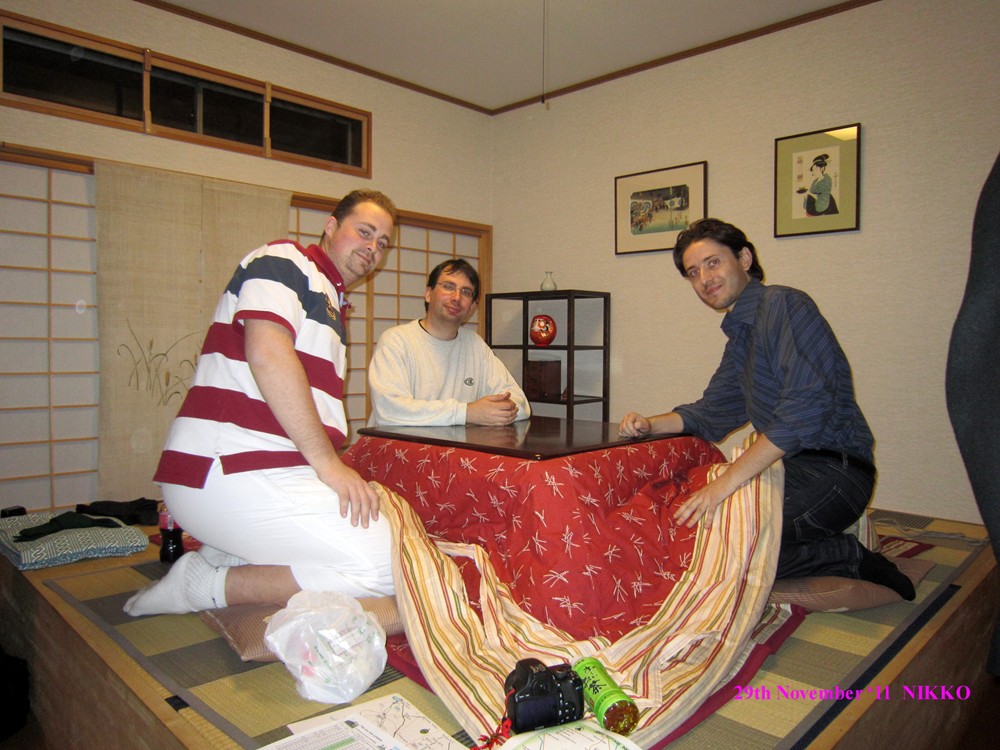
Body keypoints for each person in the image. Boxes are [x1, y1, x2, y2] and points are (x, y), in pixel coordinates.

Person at [125, 189, 399, 617]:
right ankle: (204, 585)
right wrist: (329, 465)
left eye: (382, 243)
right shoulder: (286, 260)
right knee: (387, 567)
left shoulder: (330, 298)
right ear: (330, 226)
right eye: (364, 232)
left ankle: (228, 556)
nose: (373, 248)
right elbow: (268, 353)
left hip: (272, 468)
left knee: (389, 532)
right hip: (226, 464)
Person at [619, 218, 914, 600]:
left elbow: (805, 409)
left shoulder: (784, 305)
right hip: (787, 470)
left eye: (713, 262)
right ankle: (825, 549)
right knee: (690, 535)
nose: (704, 278)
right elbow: (713, 412)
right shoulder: (741, 336)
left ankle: (846, 556)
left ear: (744, 258)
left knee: (721, 541)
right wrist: (649, 424)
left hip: (835, 472)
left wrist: (726, 484)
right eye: (693, 272)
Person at [366, 258, 530, 427]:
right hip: (396, 442)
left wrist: (499, 410)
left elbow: (520, 402)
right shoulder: (397, 340)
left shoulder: (475, 345)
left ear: (472, 306)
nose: (456, 297)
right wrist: (468, 412)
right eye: (448, 287)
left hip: (455, 444)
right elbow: (389, 410)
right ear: (428, 293)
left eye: (466, 292)